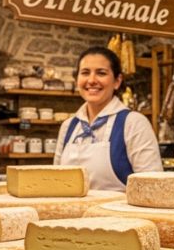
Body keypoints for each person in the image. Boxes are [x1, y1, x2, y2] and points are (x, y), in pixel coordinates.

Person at [54, 46, 162, 191]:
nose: (91, 80)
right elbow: (54, 180)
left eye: (101, 73)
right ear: (77, 80)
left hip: (118, 213)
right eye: (85, 73)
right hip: (71, 213)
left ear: (117, 81)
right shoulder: (69, 126)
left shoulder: (134, 123)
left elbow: (153, 187)